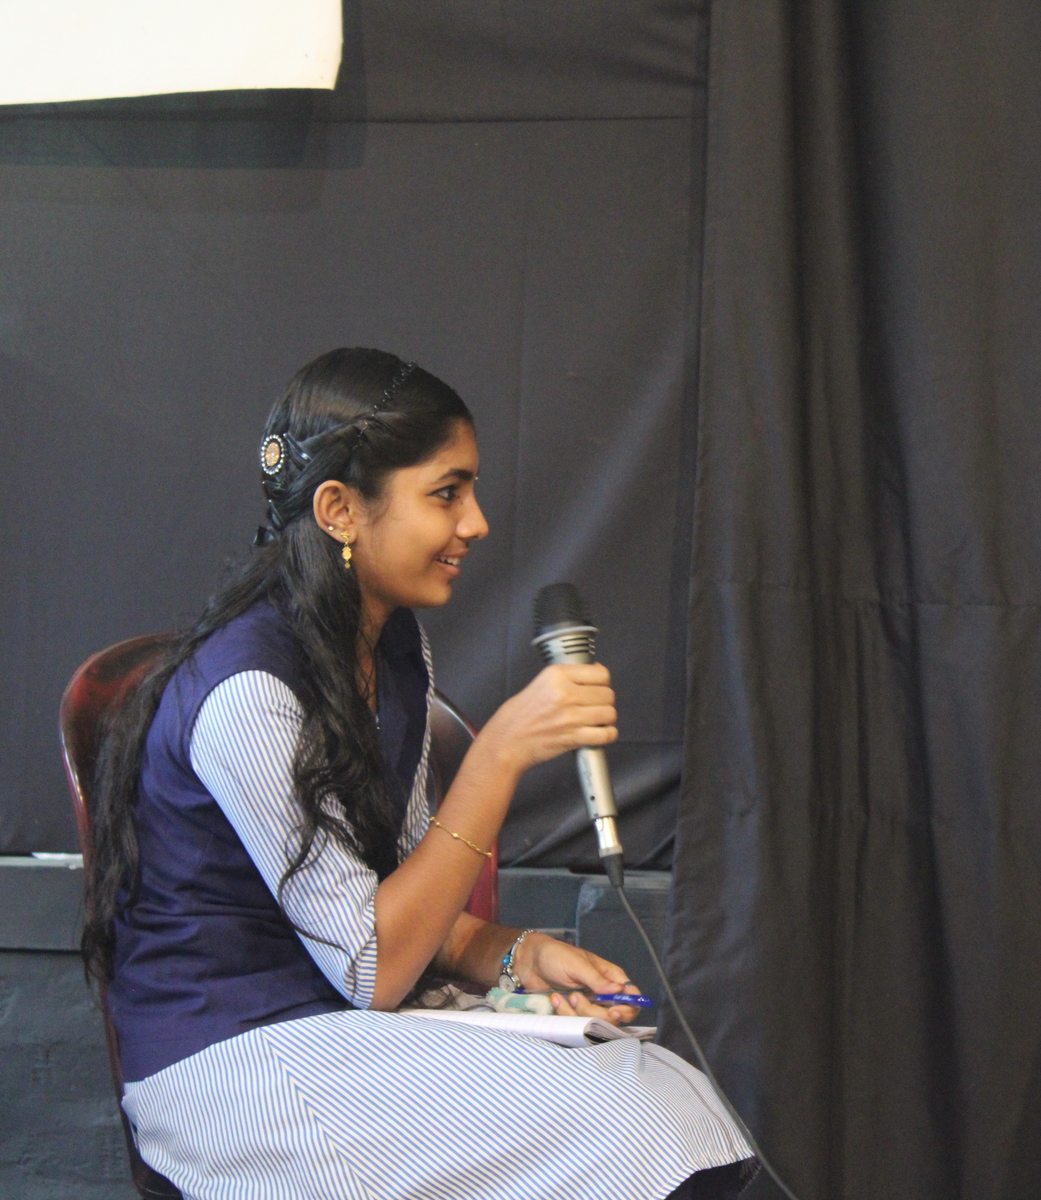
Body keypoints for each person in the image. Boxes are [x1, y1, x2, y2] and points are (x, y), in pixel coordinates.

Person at [81, 349, 754, 1200]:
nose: (476, 523)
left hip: (351, 1021)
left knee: (671, 1096)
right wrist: (499, 755)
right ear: (339, 510)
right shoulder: (248, 690)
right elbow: (372, 966)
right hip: (238, 1055)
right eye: (447, 494)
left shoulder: (392, 646)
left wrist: (516, 957)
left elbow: (398, 903)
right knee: (633, 1131)